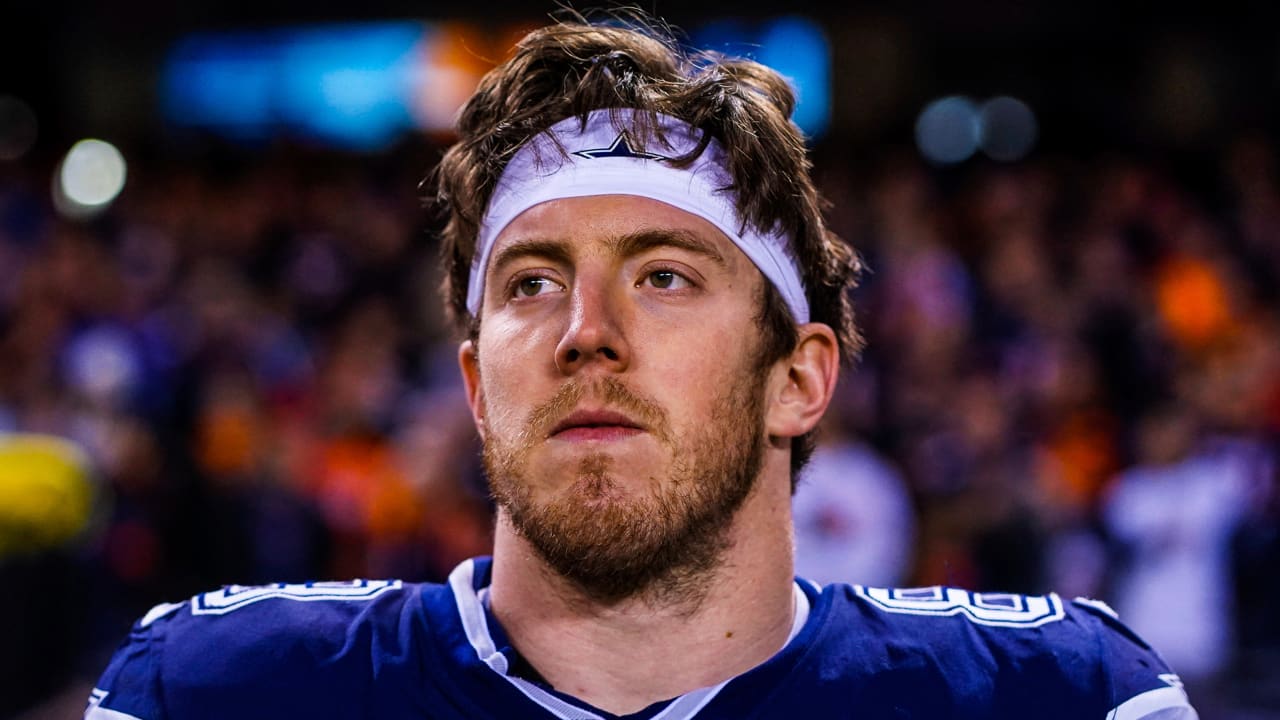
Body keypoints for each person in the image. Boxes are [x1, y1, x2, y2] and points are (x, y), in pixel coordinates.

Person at [87, 12, 1198, 719]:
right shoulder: (218, 690)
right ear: (476, 389)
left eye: (664, 275)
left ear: (798, 379)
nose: (585, 328)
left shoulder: (1057, 698)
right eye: (529, 282)